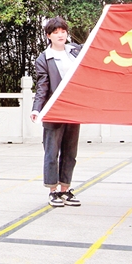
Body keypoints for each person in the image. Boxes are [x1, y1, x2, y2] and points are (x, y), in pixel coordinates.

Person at [30, 17, 83, 207]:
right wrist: (36, 109)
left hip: (72, 108)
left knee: (70, 152)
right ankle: (53, 191)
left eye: (63, 31)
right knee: (52, 152)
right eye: (56, 32)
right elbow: (42, 86)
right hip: (54, 110)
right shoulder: (44, 58)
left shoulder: (76, 51)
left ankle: (65, 190)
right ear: (48, 36)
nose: (61, 35)